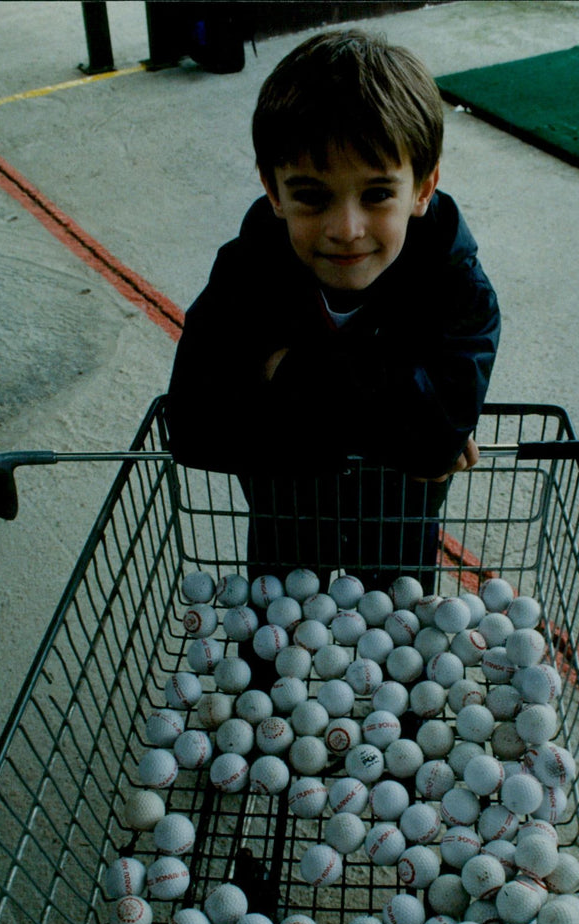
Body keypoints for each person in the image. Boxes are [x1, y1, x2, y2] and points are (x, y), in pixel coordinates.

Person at [165, 28, 500, 593]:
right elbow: (195, 428)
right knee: (273, 665)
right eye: (313, 196)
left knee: (401, 658)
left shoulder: (457, 288)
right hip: (287, 526)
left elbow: (436, 442)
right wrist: (400, 414)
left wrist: (283, 372)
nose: (347, 230)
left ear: (423, 188)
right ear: (274, 192)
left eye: (376, 194)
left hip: (398, 530)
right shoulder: (247, 272)